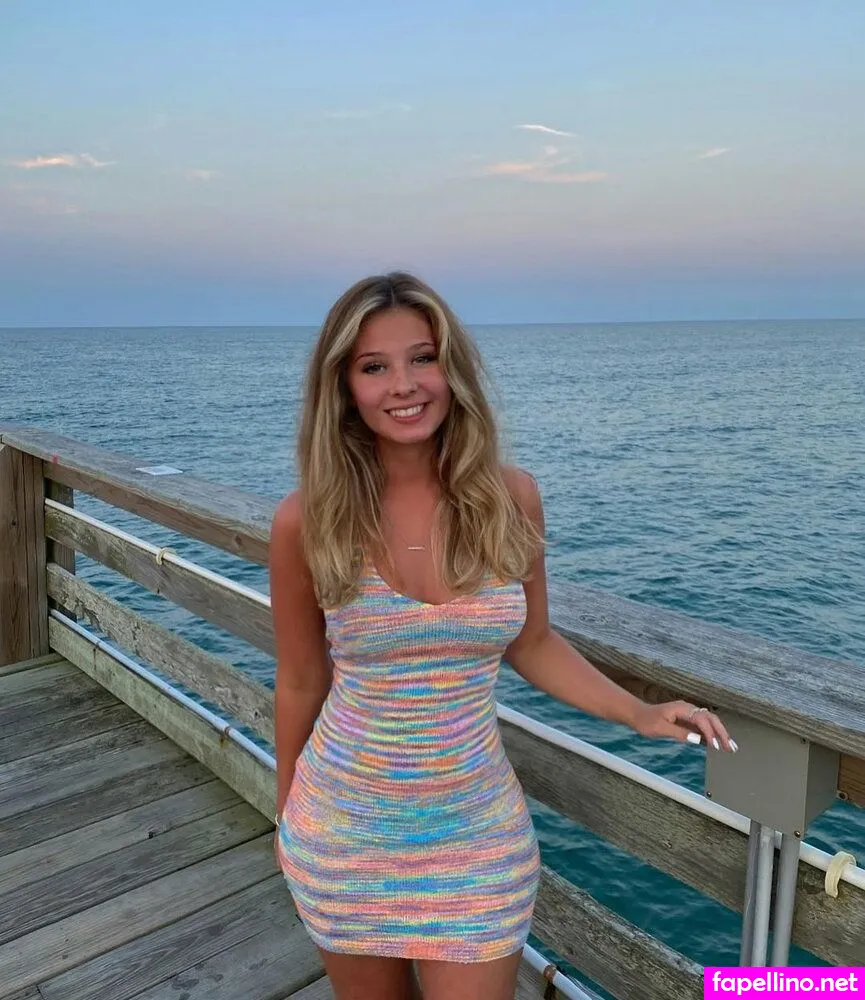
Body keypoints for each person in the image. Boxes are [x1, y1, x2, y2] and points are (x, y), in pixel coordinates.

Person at [269, 271, 734, 1000]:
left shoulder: (509, 498)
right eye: (373, 366)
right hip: (342, 833)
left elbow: (533, 641)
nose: (404, 384)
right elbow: (300, 679)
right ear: (344, 388)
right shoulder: (307, 520)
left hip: (477, 836)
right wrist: (286, 812)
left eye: (423, 358)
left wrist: (639, 713)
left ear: (452, 369)